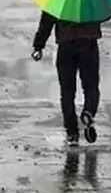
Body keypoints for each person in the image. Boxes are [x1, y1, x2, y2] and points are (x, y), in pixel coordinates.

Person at [32, 10, 101, 146]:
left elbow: (46, 21)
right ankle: (89, 112)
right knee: (91, 87)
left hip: (66, 46)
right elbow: (104, 14)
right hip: (89, 44)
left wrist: (38, 46)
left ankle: (72, 133)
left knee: (67, 92)